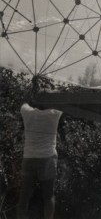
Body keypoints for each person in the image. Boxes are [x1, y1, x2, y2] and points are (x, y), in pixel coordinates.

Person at [17, 77, 63, 219]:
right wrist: (53, 91)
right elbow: (63, 98)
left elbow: (23, 100)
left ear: (36, 100)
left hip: (29, 158)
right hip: (47, 158)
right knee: (48, 196)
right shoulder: (55, 113)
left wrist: (33, 84)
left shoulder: (27, 113)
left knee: (24, 195)